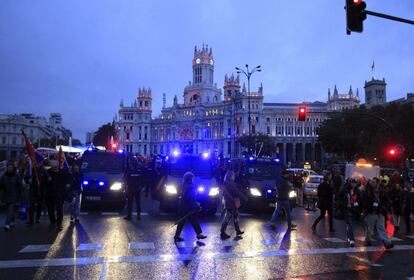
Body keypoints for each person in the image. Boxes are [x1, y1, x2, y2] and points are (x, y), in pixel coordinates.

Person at [174, 172, 207, 242]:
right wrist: (197, 206)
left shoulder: (184, 185)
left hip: (183, 206)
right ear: (191, 178)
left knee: (182, 221)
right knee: (193, 220)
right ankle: (199, 234)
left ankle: (177, 235)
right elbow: (191, 198)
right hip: (189, 207)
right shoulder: (191, 187)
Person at [363, 177, 394, 249]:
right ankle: (368, 240)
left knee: (381, 228)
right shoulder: (368, 191)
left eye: (374, 182)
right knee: (370, 228)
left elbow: (387, 201)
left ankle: (387, 243)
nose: (372, 183)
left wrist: (384, 208)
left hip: (380, 212)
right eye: (372, 182)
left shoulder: (382, 191)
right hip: (371, 212)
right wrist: (366, 209)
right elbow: (364, 200)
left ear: (377, 183)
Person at [44, 162, 70, 231]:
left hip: (59, 194)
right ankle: (52, 221)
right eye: (53, 167)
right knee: (50, 209)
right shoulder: (48, 173)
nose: (54, 168)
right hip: (50, 194)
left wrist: (67, 184)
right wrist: (47, 180)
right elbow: (43, 183)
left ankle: (59, 223)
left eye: (55, 166)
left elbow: (68, 179)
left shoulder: (62, 172)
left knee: (59, 209)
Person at [221, 168, 245, 239]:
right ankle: (222, 232)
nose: (234, 176)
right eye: (233, 175)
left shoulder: (226, 182)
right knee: (228, 217)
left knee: (235, 216)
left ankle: (237, 230)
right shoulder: (230, 183)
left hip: (230, 202)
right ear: (231, 176)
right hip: (231, 202)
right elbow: (236, 192)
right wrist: (245, 198)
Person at [0, 163, 22, 231]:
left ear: (13, 168)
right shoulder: (4, 176)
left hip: (14, 195)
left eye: (11, 167)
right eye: (8, 167)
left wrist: (21, 195)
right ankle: (13, 220)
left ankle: (7, 224)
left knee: (10, 209)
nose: (9, 168)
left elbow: (19, 185)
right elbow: (1, 185)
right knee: (9, 209)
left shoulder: (16, 176)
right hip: (6, 195)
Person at [338, 179, 359, 247]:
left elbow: (359, 199)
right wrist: (345, 204)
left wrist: (357, 205)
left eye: (355, 183)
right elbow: (340, 197)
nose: (353, 185)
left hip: (354, 209)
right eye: (352, 183)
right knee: (350, 224)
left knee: (350, 224)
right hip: (346, 209)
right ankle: (352, 240)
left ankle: (348, 236)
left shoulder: (357, 191)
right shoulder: (345, 190)